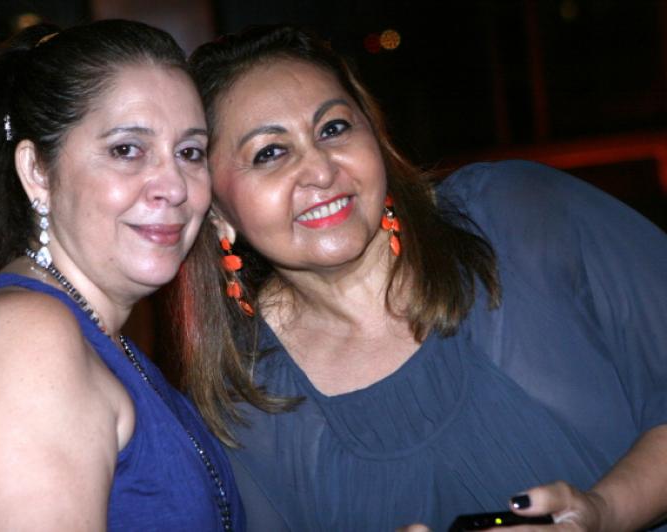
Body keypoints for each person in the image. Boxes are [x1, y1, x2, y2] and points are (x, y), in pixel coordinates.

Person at [172, 25, 667, 531]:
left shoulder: (517, 219)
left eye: (334, 128)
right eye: (269, 153)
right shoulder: (240, 409)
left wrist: (602, 513)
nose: (320, 169)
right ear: (217, 213)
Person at [0, 19, 244, 531]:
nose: (174, 186)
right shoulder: (28, 342)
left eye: (189, 153)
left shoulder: (95, 338)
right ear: (38, 171)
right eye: (127, 149)